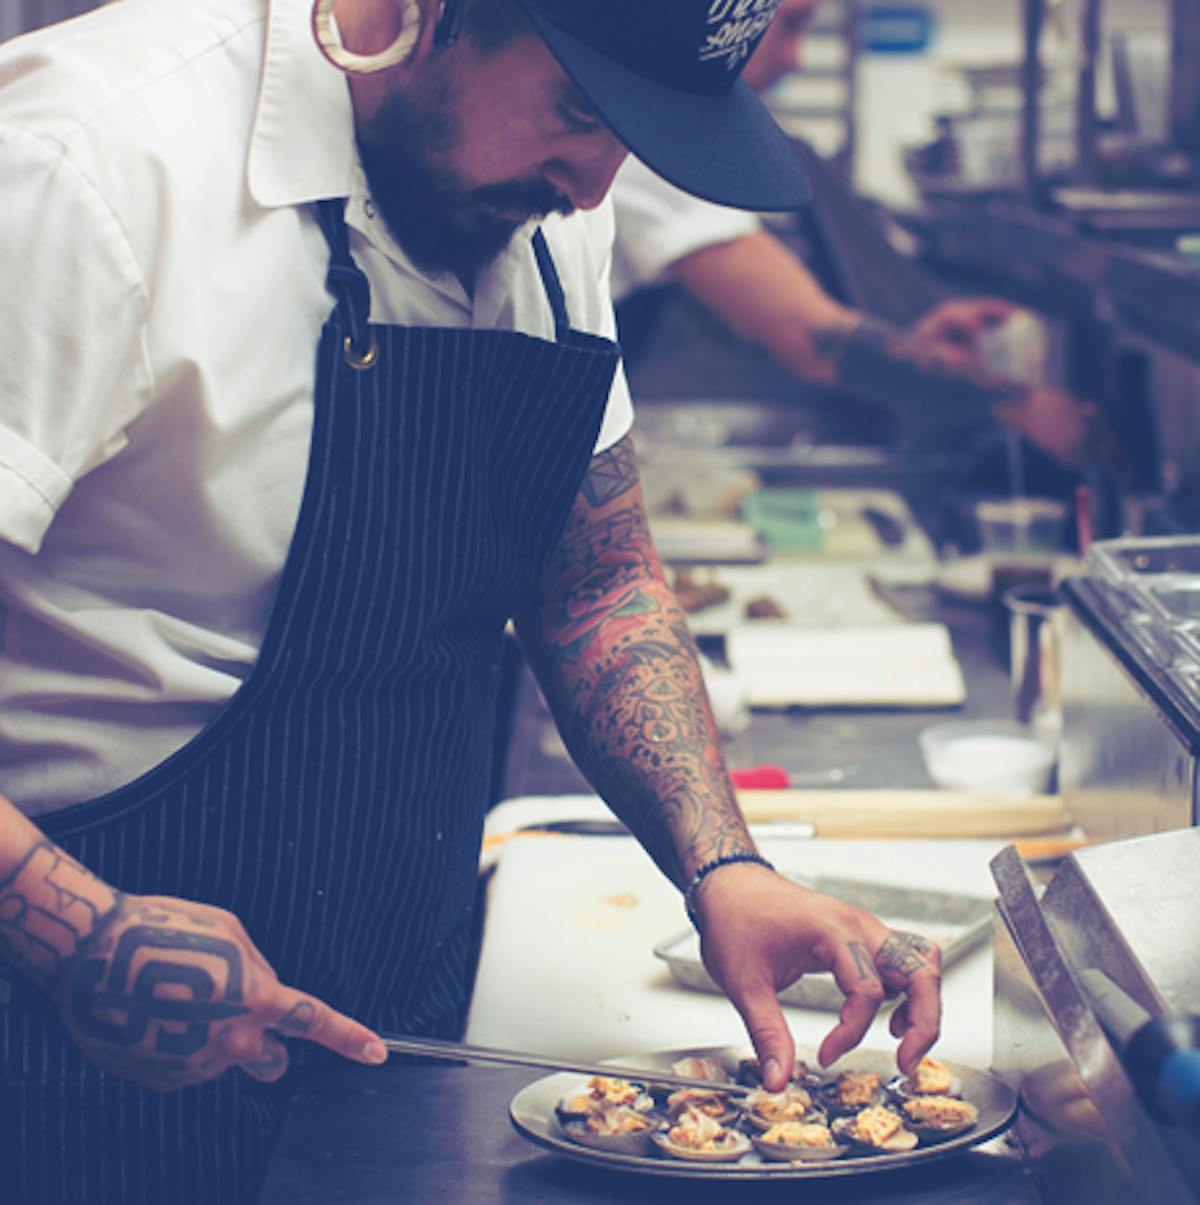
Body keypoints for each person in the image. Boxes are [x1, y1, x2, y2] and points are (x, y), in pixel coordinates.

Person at [0, 1, 942, 1201]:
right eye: (578, 111)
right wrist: (72, 926)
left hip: (397, 1014)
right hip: (66, 1041)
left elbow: (593, 571)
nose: (596, 188)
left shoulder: (543, 210)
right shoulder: (81, 165)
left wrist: (721, 866)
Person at [611, 0, 1109, 469]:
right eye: (790, 25)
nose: (795, 58)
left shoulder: (668, 126)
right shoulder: (655, 143)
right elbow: (812, 337)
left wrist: (912, 349)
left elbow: (748, 322)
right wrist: (1021, 403)